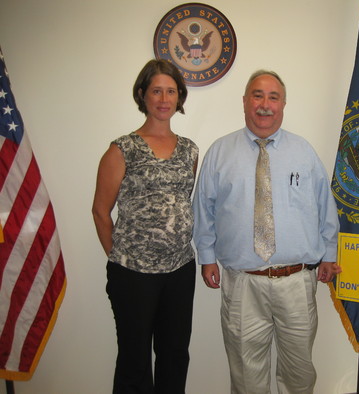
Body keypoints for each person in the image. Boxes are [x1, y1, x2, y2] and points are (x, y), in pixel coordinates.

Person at [192, 70, 341, 394]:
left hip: (296, 282)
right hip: (242, 281)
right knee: (247, 375)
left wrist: (329, 254)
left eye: (273, 97)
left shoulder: (303, 152)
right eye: (257, 95)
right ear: (245, 102)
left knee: (299, 373)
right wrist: (206, 258)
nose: (265, 104)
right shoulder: (220, 152)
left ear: (284, 104)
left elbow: (324, 206)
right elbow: (204, 208)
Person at [92, 59, 198, 394]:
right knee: (134, 360)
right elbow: (99, 211)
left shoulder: (190, 150)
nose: (164, 98)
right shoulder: (121, 149)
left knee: (174, 354)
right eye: (156, 91)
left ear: (179, 97)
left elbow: (181, 202)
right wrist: (123, 259)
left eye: (171, 91)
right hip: (132, 273)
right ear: (143, 94)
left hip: (180, 269)